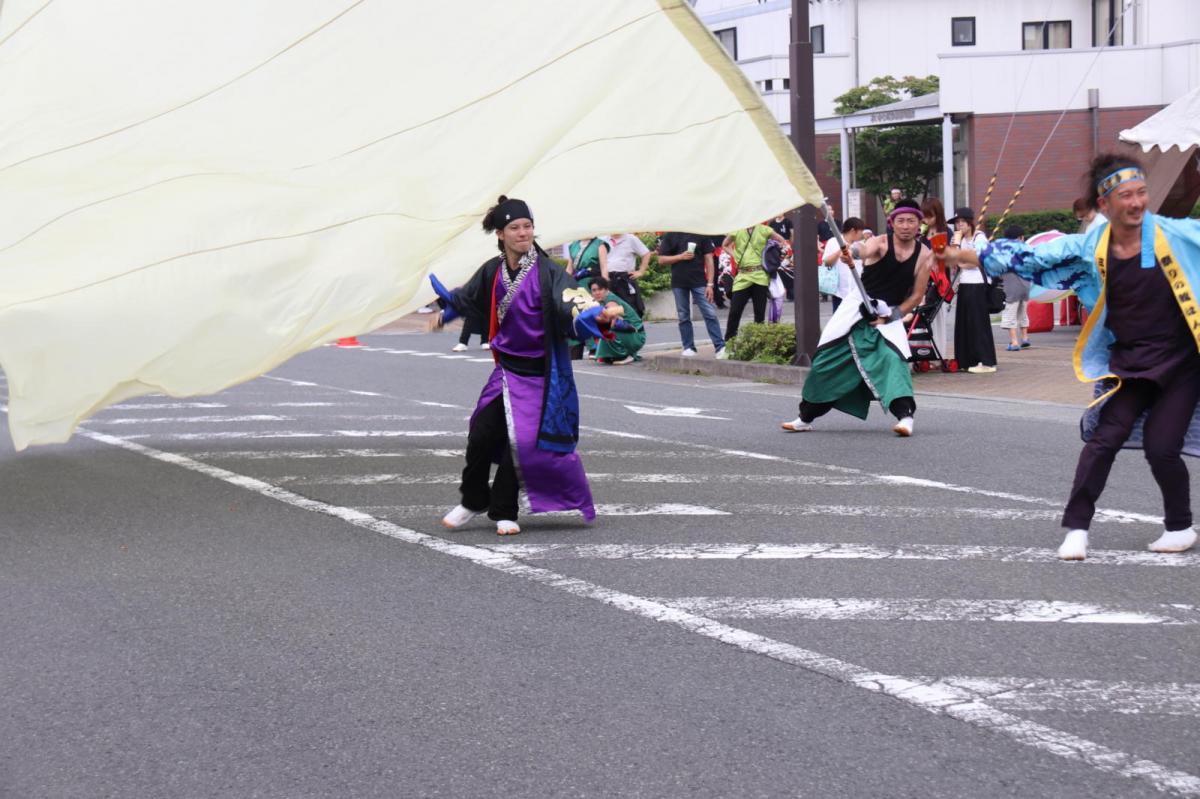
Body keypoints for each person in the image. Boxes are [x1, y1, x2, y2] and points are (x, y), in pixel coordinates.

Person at [943, 153, 1200, 561]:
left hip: (1182, 365)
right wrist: (969, 255)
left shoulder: (1178, 235)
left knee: (1162, 447)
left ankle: (1180, 526)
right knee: (1103, 440)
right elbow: (1030, 257)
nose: (1136, 203)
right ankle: (1077, 528)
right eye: (1125, 196)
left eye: (1141, 193)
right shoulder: (1088, 248)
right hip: (1128, 366)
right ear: (1104, 205)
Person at [431, 196, 623, 535]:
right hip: (506, 372)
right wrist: (447, 311)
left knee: (521, 446)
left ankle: (504, 509)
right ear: (501, 235)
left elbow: (573, 302)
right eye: (515, 228)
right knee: (480, 434)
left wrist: (597, 314)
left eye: (528, 227)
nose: (523, 233)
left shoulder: (550, 273)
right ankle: (473, 499)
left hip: (541, 375)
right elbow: (468, 296)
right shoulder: (493, 269)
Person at [781, 199, 933, 437]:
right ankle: (805, 417)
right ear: (892, 223)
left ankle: (905, 417)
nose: (905, 226)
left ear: (919, 225)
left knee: (894, 361)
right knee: (826, 364)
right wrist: (850, 252)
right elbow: (862, 250)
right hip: (856, 310)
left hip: (887, 316)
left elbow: (916, 295)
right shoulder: (880, 242)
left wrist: (892, 316)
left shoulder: (924, 255)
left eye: (911, 221)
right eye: (900, 221)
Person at [658, 231, 727, 358]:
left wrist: (710, 284)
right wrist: (680, 257)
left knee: (710, 313)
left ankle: (720, 346)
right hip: (679, 282)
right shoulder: (671, 235)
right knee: (683, 316)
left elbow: (709, 260)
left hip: (699, 281)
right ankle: (688, 346)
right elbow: (661, 259)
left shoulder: (701, 234)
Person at [949, 206, 998, 374]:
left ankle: (987, 361)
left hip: (978, 283)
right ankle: (966, 359)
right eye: (957, 223)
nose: (959, 226)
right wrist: (956, 249)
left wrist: (961, 261)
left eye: (962, 222)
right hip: (964, 283)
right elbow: (953, 261)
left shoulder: (979, 238)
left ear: (970, 222)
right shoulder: (960, 240)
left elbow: (975, 261)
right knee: (964, 323)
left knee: (978, 322)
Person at [722, 221, 788, 340]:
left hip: (760, 275)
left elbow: (782, 241)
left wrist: (776, 254)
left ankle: (758, 343)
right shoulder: (737, 229)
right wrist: (735, 255)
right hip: (742, 275)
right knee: (734, 311)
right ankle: (728, 343)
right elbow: (725, 245)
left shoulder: (764, 229)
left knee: (759, 313)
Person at [588, 277, 645, 364]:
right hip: (631, 334)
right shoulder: (602, 301)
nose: (597, 293)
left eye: (600, 289)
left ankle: (624, 355)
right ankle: (613, 354)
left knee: (605, 326)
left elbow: (614, 321)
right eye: (594, 290)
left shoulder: (611, 300)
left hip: (637, 336)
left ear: (606, 289)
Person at [820, 217, 866, 313]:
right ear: (853, 231)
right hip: (839, 291)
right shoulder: (833, 241)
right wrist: (841, 250)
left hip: (857, 291)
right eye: (861, 231)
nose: (862, 234)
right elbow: (827, 262)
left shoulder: (860, 245)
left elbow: (864, 264)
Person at [998, 224, 1032, 352]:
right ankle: (1025, 338)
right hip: (1026, 287)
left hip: (1012, 288)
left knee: (1009, 314)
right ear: (1021, 237)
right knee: (1022, 312)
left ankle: (1014, 342)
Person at [605, 232, 651, 315]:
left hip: (624, 278)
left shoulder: (631, 238)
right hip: (608, 278)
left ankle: (634, 327)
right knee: (610, 309)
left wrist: (641, 271)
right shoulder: (603, 239)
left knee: (631, 308)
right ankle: (615, 327)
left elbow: (646, 254)